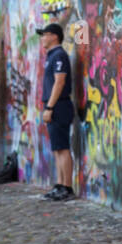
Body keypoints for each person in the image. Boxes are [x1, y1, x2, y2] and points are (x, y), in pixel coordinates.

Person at [36, 23, 76, 201]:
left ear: (54, 36)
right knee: (57, 148)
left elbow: (60, 82)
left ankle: (67, 186)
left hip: (59, 105)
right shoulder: (51, 56)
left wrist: (50, 107)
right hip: (54, 105)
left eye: (45, 34)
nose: (42, 38)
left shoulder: (59, 55)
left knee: (63, 147)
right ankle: (60, 184)